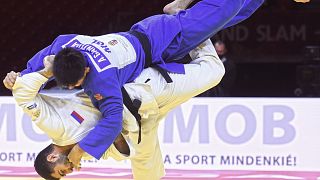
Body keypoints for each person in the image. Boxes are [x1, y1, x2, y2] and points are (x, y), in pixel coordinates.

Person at [3, 0, 265, 168]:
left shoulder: (101, 80)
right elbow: (47, 54)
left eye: (63, 172)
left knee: (227, 10)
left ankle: (178, 8)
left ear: (85, 70)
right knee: (237, 12)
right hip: (148, 36)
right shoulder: (65, 45)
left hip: (164, 39)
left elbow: (113, 121)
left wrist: (81, 150)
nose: (75, 88)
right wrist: (26, 72)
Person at [10, 39, 224, 180]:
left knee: (215, 71)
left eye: (62, 172)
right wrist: (84, 149)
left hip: (136, 95)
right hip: (141, 115)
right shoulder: (80, 148)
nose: (71, 171)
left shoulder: (52, 125)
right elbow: (121, 151)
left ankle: (197, 34)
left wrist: (46, 72)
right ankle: (195, 35)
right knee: (146, 169)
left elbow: (22, 94)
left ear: (51, 158)